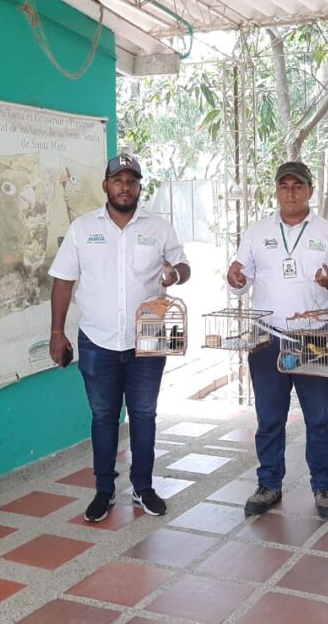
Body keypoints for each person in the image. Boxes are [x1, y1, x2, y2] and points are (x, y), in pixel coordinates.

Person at [48, 154, 191, 522]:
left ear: (140, 186)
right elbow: (63, 280)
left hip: (149, 337)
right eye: (118, 180)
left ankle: (143, 487)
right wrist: (56, 332)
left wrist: (175, 273)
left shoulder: (158, 228)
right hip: (97, 340)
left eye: (132, 180)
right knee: (103, 417)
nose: (125, 186)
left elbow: (183, 265)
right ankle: (104, 490)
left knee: (144, 414)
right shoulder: (83, 229)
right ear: (106, 185)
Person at [227, 161, 328, 520]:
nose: (290, 192)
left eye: (297, 186)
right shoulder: (257, 232)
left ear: (310, 190)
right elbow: (239, 281)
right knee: (270, 418)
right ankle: (269, 483)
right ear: (276, 191)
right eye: (284, 186)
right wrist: (235, 280)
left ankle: (323, 485)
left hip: (314, 339)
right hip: (267, 340)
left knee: (319, 417)